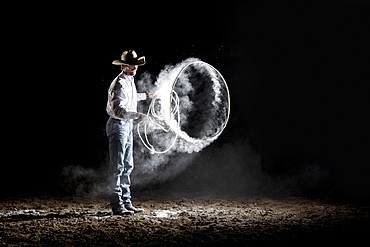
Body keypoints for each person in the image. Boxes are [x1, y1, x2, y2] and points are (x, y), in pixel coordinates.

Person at [106, 50, 154, 215]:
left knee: (127, 166)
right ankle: (117, 205)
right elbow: (118, 109)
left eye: (135, 65)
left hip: (126, 126)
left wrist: (148, 95)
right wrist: (138, 115)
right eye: (131, 65)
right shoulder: (119, 83)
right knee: (118, 166)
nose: (134, 67)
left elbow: (131, 98)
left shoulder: (129, 80)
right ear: (124, 66)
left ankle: (126, 202)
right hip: (118, 125)